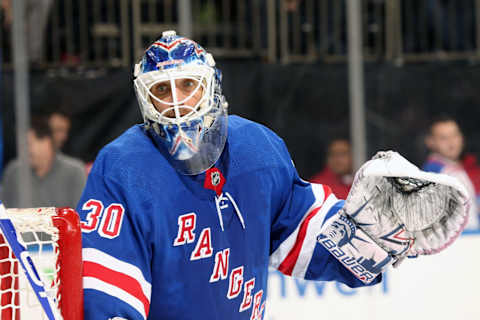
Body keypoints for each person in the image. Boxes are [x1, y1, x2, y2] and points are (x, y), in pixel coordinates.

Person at [77, 31, 468, 320]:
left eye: (187, 86)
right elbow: (110, 282)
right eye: (163, 89)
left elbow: (304, 238)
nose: (177, 102)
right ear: (145, 98)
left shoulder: (257, 150)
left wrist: (369, 237)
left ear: (211, 87)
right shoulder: (123, 168)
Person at [1, 115, 86, 208]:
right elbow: (4, 212)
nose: (23, 150)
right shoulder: (14, 171)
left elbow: (81, 214)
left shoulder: (75, 171)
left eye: (28, 144)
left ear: (46, 141)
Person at [422, 115, 479, 230]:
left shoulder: (455, 167)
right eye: (443, 138)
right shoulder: (433, 173)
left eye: (454, 135)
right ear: (430, 142)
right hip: (458, 242)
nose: (451, 142)